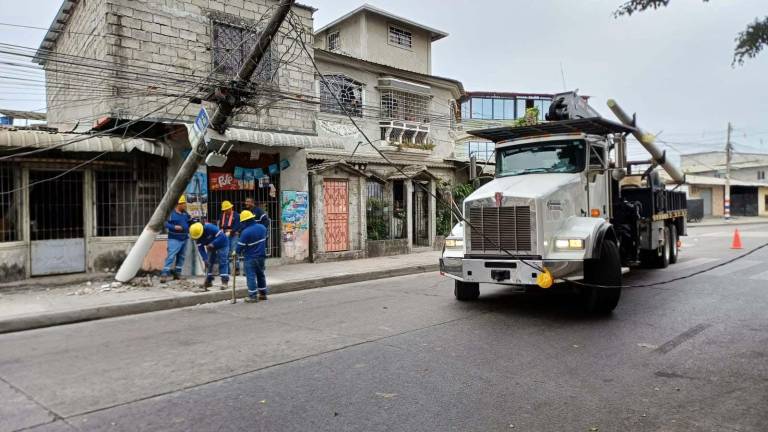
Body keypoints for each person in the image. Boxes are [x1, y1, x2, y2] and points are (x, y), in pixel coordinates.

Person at [235, 210, 268, 302]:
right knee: (261, 274)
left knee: (250, 276)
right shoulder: (262, 228)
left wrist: (235, 252)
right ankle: (263, 294)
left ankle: (253, 296)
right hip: (261, 256)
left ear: (245, 221)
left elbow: (239, 247)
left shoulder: (246, 232)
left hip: (250, 257)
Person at [189, 222, 230, 290]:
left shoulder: (209, 227)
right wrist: (205, 259)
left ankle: (224, 281)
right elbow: (201, 249)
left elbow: (222, 236)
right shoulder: (197, 236)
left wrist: (213, 243)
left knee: (223, 262)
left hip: (222, 244)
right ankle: (209, 281)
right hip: (210, 247)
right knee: (209, 263)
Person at [160, 196, 191, 283]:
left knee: (181, 257)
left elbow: (190, 221)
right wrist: (174, 227)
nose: (185, 205)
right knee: (171, 256)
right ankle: (164, 274)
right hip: (174, 239)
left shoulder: (186, 214)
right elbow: (164, 223)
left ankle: (177, 274)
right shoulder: (171, 214)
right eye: (184, 203)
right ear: (179, 204)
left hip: (184, 238)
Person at [219, 200, 241, 273]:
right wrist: (222, 231)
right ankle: (227, 270)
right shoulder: (222, 215)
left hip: (234, 235)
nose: (225, 211)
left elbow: (237, 226)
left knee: (234, 251)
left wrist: (231, 231)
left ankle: (236, 269)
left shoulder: (236, 215)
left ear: (230, 208)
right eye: (224, 210)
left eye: (226, 209)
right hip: (225, 235)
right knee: (226, 252)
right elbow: (220, 225)